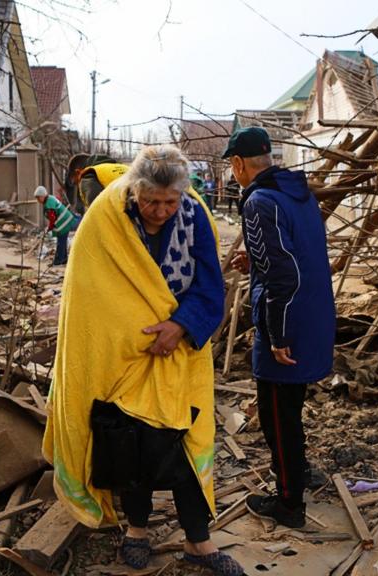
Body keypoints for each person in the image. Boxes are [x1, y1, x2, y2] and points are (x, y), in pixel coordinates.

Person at [42, 145, 243, 576]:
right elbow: (89, 293)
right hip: (122, 359)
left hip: (180, 355)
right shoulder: (106, 219)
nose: (160, 211)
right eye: (151, 200)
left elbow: (211, 288)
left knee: (186, 440)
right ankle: (137, 530)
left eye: (170, 202)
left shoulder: (194, 218)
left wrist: (181, 326)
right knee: (131, 446)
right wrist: (127, 335)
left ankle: (198, 541)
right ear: (134, 191)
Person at [224, 127, 335, 529]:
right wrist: (255, 260)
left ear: (238, 164)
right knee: (290, 408)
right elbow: (295, 252)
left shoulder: (259, 202)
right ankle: (298, 473)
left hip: (287, 321)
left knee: (277, 417)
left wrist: (277, 334)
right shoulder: (297, 193)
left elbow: (282, 276)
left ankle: (289, 503)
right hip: (313, 314)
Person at [35, 186, 77, 266]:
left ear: (42, 196)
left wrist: (50, 227)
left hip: (64, 222)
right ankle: (64, 260)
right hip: (66, 221)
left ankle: (57, 262)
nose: (38, 200)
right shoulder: (50, 198)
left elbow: (52, 218)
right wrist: (50, 227)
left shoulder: (48, 203)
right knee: (63, 241)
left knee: (60, 242)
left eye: (38, 198)